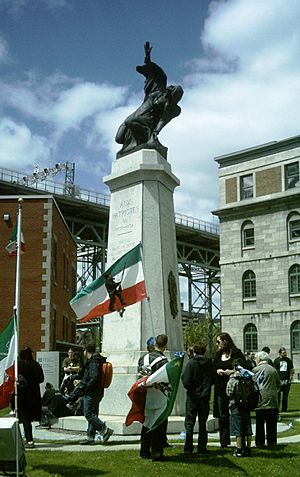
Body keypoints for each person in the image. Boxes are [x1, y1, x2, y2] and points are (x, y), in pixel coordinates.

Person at [115, 42, 183, 158]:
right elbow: (153, 72)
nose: (146, 81)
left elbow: (163, 119)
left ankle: (147, 138)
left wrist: (156, 132)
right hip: (139, 112)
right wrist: (148, 58)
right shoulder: (154, 89)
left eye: (172, 88)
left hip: (146, 120)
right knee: (119, 138)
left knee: (130, 122)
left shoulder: (166, 100)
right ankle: (135, 145)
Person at [68, 343, 113, 445]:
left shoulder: (94, 362)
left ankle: (104, 430)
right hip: (98, 391)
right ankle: (90, 437)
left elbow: (93, 378)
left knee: (88, 413)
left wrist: (84, 387)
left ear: (86, 351)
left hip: (92, 392)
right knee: (93, 414)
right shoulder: (96, 360)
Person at [213, 332, 246, 448]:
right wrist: (217, 372)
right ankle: (224, 441)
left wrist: (232, 372)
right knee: (223, 416)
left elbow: (245, 368)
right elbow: (212, 368)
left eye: (218, 342)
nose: (217, 344)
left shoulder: (237, 354)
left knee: (237, 414)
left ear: (225, 341)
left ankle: (240, 441)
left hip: (234, 389)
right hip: (221, 389)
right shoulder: (217, 355)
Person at [139, 334, 169, 461]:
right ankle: (156, 452)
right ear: (165, 345)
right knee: (158, 424)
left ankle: (144, 451)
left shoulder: (143, 358)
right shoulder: (163, 361)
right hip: (158, 394)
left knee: (146, 423)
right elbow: (165, 380)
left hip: (145, 394)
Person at [181, 342, 213, 455]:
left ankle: (188, 447)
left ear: (194, 351)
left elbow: (185, 380)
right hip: (204, 397)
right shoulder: (209, 364)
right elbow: (212, 379)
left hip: (192, 397)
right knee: (203, 424)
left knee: (189, 423)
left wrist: (192, 389)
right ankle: (202, 448)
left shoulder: (191, 363)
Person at [12, 346, 44, 448]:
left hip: (21, 393)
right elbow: (41, 379)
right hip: (33, 394)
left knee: (22, 417)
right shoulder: (35, 365)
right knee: (27, 419)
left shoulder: (18, 365)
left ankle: (27, 439)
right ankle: (28, 439)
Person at [253, 351, 281, 448]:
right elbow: (278, 383)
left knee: (260, 423)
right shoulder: (273, 370)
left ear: (260, 359)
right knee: (272, 423)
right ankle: (272, 441)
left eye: (256, 359)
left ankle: (260, 442)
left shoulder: (255, 370)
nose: (255, 361)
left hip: (260, 399)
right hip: (272, 399)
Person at [226, 360, 253, 457]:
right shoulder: (248, 378)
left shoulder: (233, 379)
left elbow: (229, 393)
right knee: (247, 427)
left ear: (234, 368)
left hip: (236, 405)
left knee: (238, 428)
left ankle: (239, 450)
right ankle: (248, 448)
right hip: (247, 405)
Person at [273, 347, 294, 412]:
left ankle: (284, 409)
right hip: (279, 379)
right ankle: (277, 408)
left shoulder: (288, 360)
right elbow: (274, 370)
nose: (285, 354)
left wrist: (291, 377)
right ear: (280, 353)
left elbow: (291, 369)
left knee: (285, 395)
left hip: (286, 379)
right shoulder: (276, 360)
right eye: (283, 353)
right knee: (278, 395)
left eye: (285, 352)